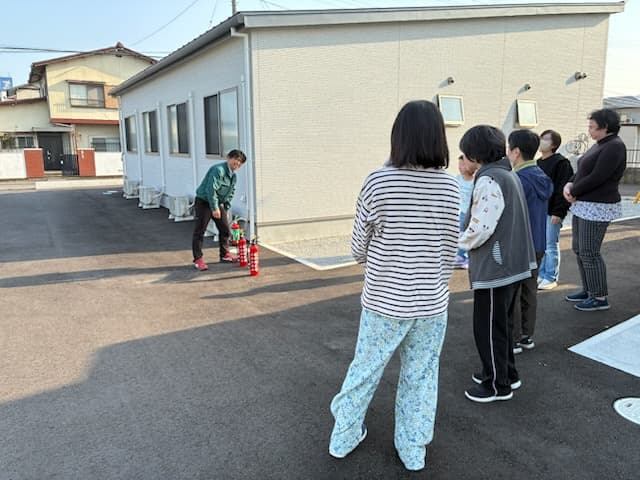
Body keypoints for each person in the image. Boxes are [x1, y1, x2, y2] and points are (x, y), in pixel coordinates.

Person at [328, 101, 459, 471]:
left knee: (365, 370)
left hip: (384, 300)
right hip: (431, 303)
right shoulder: (451, 187)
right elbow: (450, 250)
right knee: (421, 376)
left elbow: (358, 248)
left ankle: (343, 438)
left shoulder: (379, 182)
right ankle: (413, 450)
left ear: (398, 136)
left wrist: (382, 263)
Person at [458, 125, 536, 403]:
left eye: (464, 155)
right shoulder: (507, 174)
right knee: (502, 324)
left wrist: (455, 242)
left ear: (475, 154)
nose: (462, 160)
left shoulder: (489, 180)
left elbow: (480, 228)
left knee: (489, 327)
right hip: (513, 263)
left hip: (496, 267)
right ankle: (507, 374)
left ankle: (496, 384)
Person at [563, 109, 626, 311]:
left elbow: (598, 176)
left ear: (605, 127)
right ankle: (589, 289)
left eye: (592, 127)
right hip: (584, 204)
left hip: (598, 206)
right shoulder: (600, 144)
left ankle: (599, 297)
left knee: (589, 251)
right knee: (579, 249)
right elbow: (583, 170)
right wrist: (570, 184)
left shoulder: (614, 146)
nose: (589, 130)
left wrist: (574, 190)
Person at [507, 130, 553, 354]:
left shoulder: (516, 179)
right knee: (529, 290)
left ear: (516, 152)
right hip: (538, 242)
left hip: (519, 244)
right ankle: (526, 336)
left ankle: (514, 339)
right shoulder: (542, 176)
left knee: (512, 293)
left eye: (509, 149)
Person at [191, 149, 247, 271]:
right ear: (228, 158)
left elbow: (230, 193)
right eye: (236, 160)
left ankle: (225, 254)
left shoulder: (233, 176)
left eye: (240, 162)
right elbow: (211, 189)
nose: (237, 164)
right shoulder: (218, 170)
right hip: (204, 201)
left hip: (217, 203)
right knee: (200, 231)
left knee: (225, 229)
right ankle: (198, 259)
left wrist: (225, 210)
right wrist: (214, 208)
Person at [536, 130, 574, 290]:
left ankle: (551, 277)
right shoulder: (538, 162)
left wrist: (559, 212)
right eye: (540, 137)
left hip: (552, 211)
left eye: (545, 138)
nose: (541, 141)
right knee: (541, 245)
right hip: (539, 211)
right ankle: (542, 274)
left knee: (551, 245)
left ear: (554, 144)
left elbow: (562, 189)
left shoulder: (561, 163)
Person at [453, 155, 475, 269]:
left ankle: (468, 257)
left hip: (472, 213)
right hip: (461, 213)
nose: (460, 167)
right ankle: (460, 255)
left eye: (463, 164)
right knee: (461, 233)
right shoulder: (457, 179)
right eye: (459, 165)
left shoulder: (475, 181)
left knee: (470, 234)